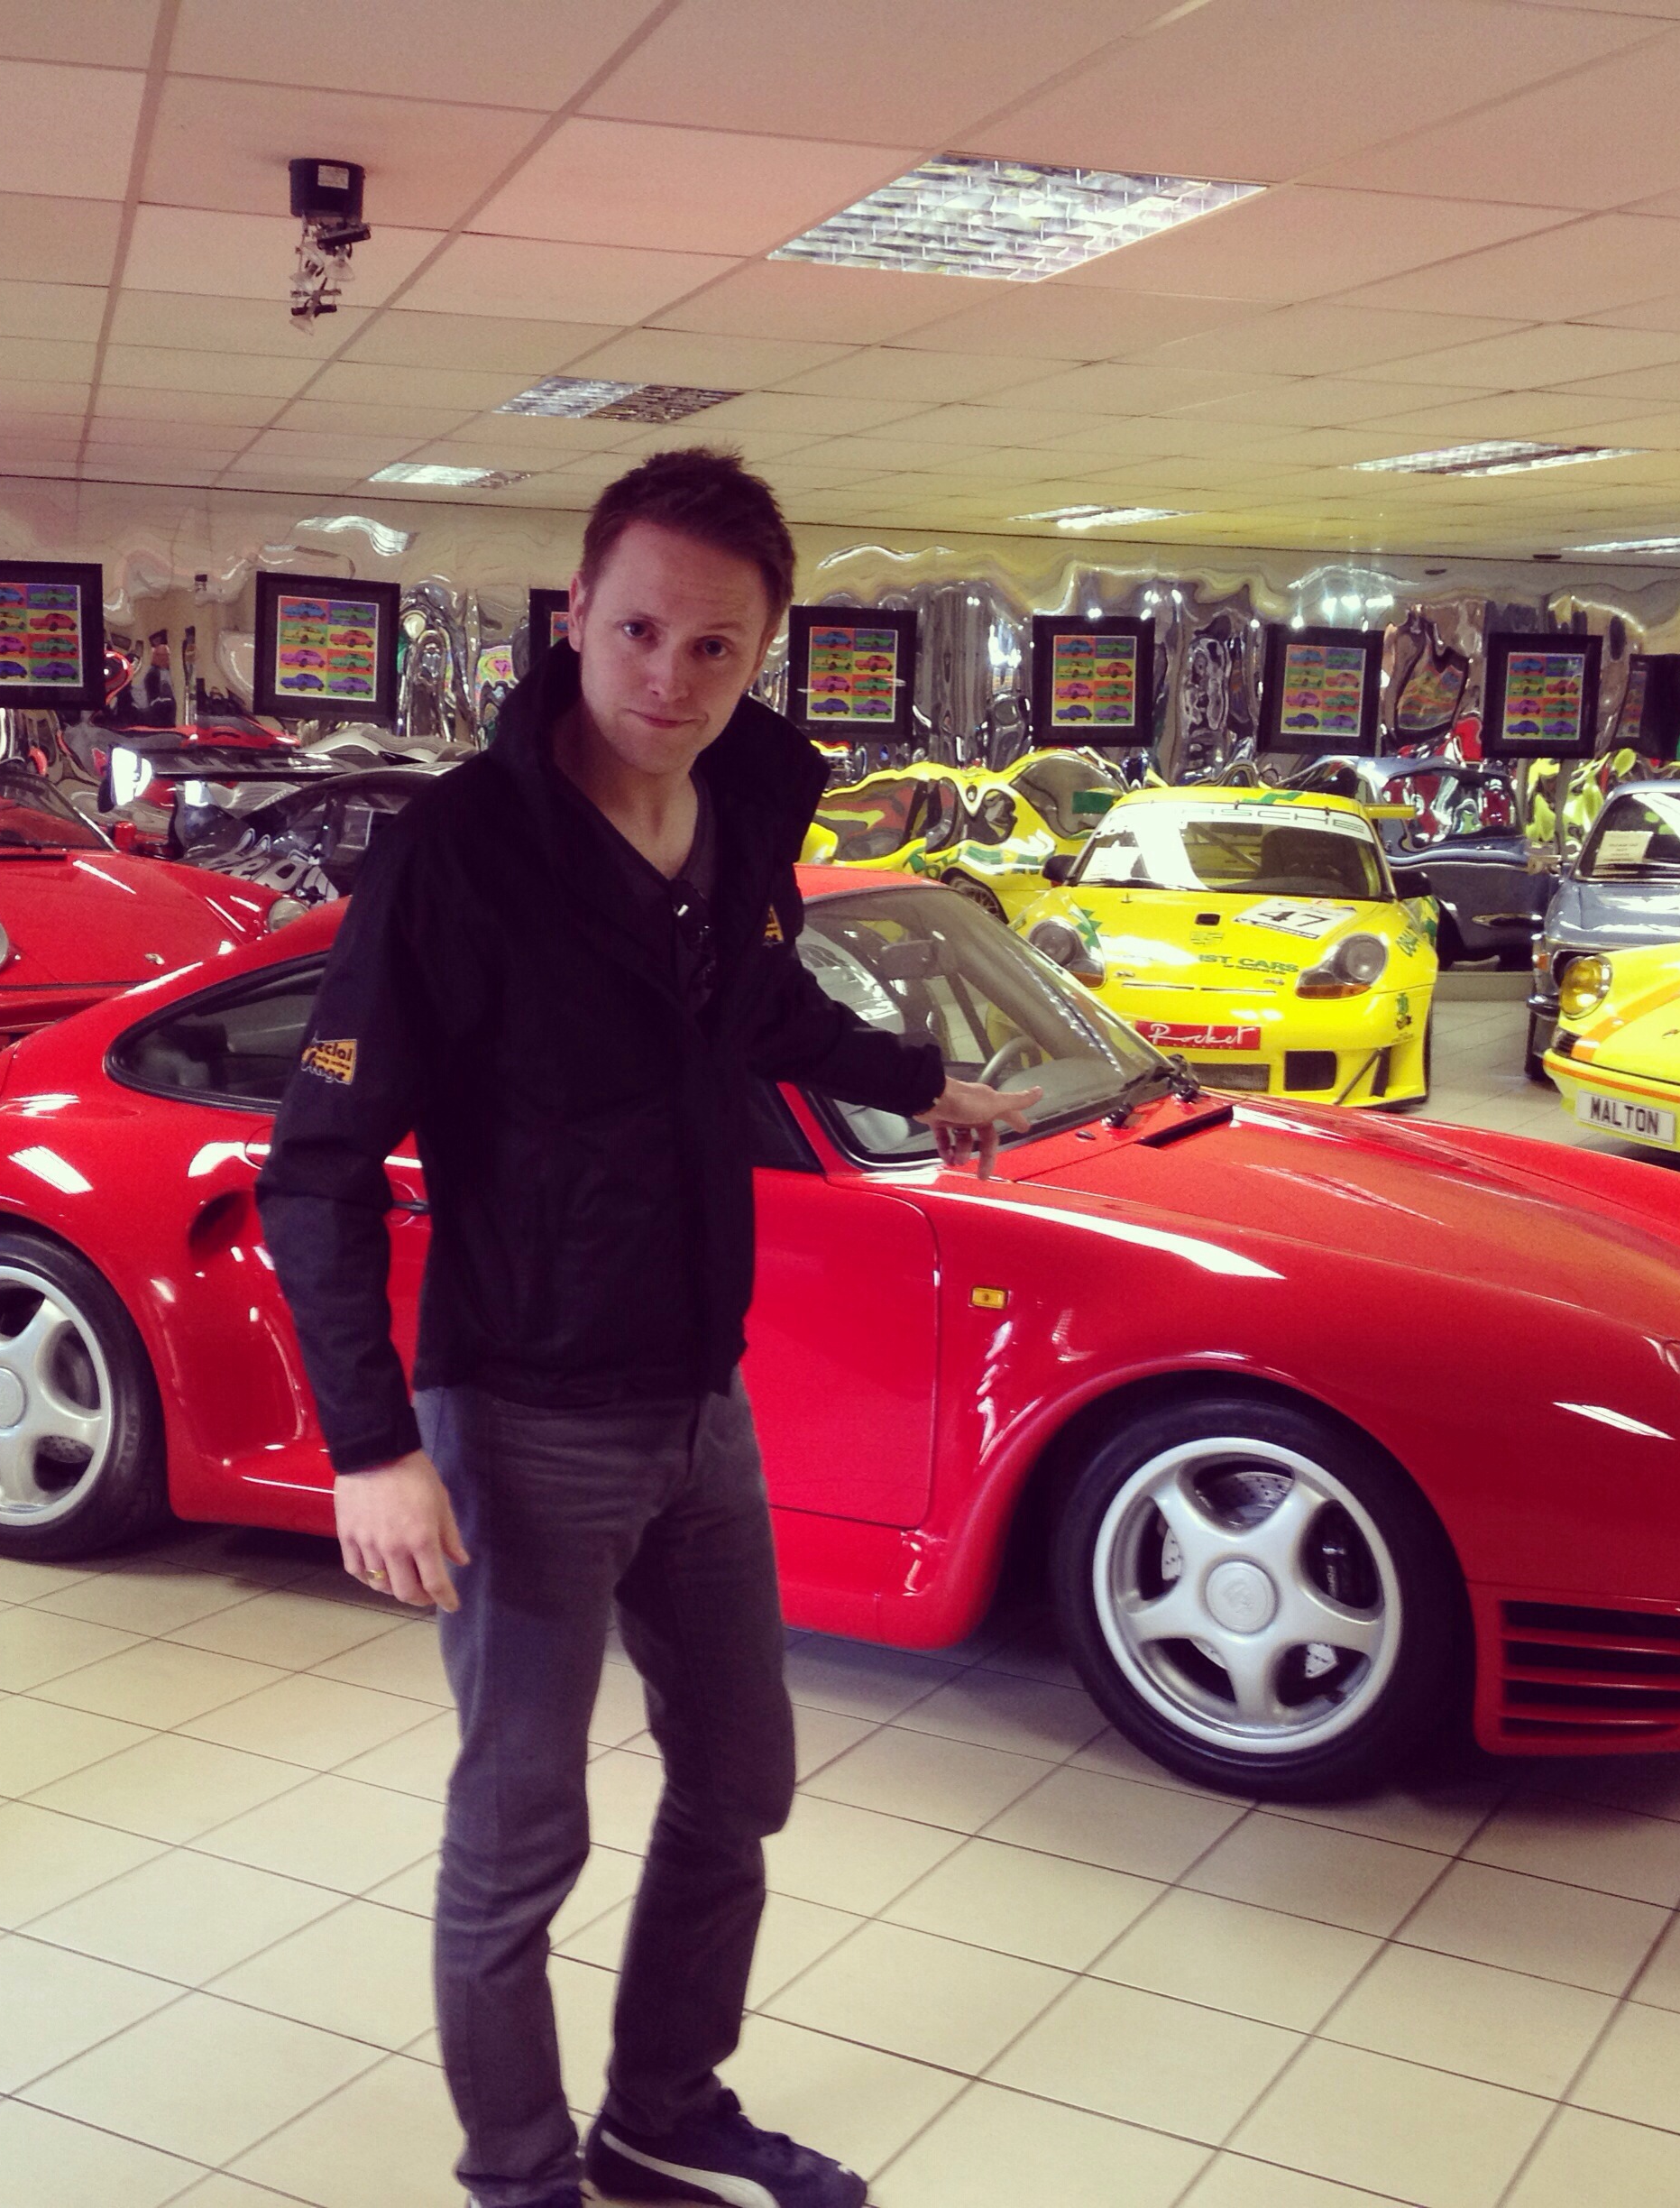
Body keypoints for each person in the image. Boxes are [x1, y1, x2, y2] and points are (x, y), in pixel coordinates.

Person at [256, 447, 1037, 2208]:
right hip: (517, 1416)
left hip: (700, 1406)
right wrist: (372, 1446)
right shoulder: (460, 854)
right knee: (522, 1834)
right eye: (638, 632)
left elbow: (751, 1003)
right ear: (576, 615)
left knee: (741, 1780)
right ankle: (521, 2177)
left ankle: (661, 2111)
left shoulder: (738, 816)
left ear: (760, 652)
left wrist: (919, 1079)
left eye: (715, 648)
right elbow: (317, 1167)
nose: (670, 681)